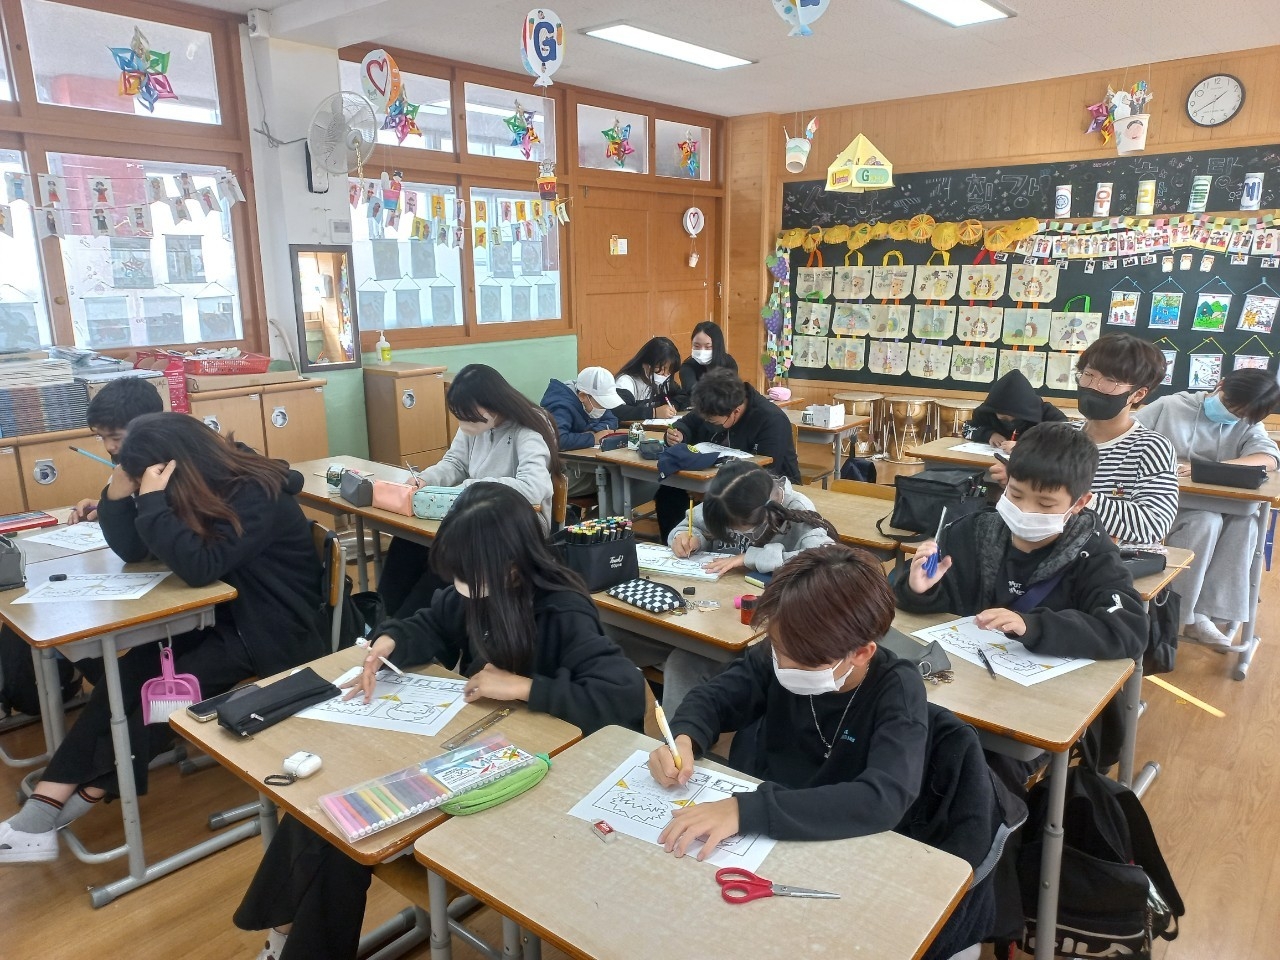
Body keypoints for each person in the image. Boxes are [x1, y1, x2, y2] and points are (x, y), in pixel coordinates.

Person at [234, 483, 645, 960]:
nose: (461, 585)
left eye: (468, 573)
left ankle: (287, 941)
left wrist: (523, 687)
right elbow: (428, 623)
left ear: (512, 564)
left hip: (542, 776)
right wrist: (388, 642)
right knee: (328, 818)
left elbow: (622, 693)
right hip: (478, 751)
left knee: (346, 829)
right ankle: (283, 937)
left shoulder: (562, 609)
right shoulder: (479, 592)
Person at [0, 414, 324, 863]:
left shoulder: (255, 493)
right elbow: (136, 551)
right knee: (130, 672)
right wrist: (118, 493)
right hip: (221, 617)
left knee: (167, 698)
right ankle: (48, 800)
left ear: (174, 466)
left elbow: (199, 568)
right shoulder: (202, 485)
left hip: (272, 630)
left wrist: (152, 501)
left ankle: (87, 793)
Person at [650, 545, 1003, 957]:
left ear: (862, 652)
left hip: (845, 843)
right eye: (777, 649)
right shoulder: (784, 650)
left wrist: (745, 811)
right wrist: (684, 737)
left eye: (803, 661)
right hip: (769, 834)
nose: (783, 664)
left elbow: (882, 798)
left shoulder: (897, 689)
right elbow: (714, 698)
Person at [896, 422, 1147, 767]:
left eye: (1045, 504)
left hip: (1033, 711)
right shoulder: (971, 532)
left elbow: (1129, 631)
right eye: (1015, 495)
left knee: (973, 765)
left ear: (1080, 502)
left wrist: (1033, 626)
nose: (1026, 510)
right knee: (906, 739)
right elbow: (932, 606)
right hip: (960, 690)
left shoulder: (1093, 555)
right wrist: (919, 589)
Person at [376, 364, 559, 621]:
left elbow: (534, 488)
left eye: (467, 417)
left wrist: (476, 487)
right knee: (407, 542)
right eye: (459, 416)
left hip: (517, 524)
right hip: (477, 515)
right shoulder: (475, 423)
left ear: (492, 404)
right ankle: (380, 621)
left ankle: (405, 627)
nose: (462, 424)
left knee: (446, 558)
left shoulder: (528, 428)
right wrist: (425, 479)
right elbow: (455, 463)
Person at [657, 459, 837, 713]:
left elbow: (824, 559)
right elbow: (692, 526)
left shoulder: (796, 508)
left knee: (684, 663)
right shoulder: (725, 497)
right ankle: (680, 734)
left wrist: (750, 557)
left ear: (760, 518)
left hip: (772, 628)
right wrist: (687, 538)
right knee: (679, 660)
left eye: (733, 528)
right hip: (717, 615)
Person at [1135, 368, 1280, 645]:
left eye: (1240, 414)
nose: (1231, 415)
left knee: (1246, 524)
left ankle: (1206, 613)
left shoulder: (1247, 420)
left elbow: (1268, 458)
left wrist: (1208, 469)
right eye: (1229, 405)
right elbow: (1129, 434)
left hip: (1220, 505)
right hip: (1169, 504)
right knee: (1205, 521)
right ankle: (1178, 616)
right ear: (1220, 384)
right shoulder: (1170, 406)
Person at [990, 334, 1178, 546]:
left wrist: (1076, 498)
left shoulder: (1151, 448)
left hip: (1110, 559)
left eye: (1110, 381)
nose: (1093, 386)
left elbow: (1153, 524)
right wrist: (1020, 484)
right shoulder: (1058, 436)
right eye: (1088, 375)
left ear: (1138, 394)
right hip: (1043, 550)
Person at [656, 369, 800, 538]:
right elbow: (687, 423)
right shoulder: (712, 405)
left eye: (712, 421)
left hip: (764, 488)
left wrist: (712, 492)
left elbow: (765, 473)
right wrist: (678, 433)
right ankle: (677, 543)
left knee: (720, 505)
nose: (707, 422)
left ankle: (713, 545)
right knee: (668, 494)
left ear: (735, 412)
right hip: (713, 477)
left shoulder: (771, 420)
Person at [70, 376, 166, 523]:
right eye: (102, 437)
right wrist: (104, 507)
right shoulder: (123, 471)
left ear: (150, 429)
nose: (108, 447)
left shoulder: (175, 475)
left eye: (116, 438)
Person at [540, 366, 623, 496]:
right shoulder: (561, 406)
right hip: (556, 474)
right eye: (601, 403)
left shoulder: (592, 403)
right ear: (583, 396)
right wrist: (593, 438)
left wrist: (593, 432)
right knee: (613, 478)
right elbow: (559, 440)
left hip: (576, 465)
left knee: (616, 474)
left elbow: (612, 420)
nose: (603, 408)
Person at [965, 368, 1067, 451]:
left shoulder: (1046, 413)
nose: (1010, 422)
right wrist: (989, 434)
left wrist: (1024, 446)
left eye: (1016, 417)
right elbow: (967, 429)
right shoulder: (988, 411)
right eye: (1003, 418)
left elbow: (1067, 439)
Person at [669, 320, 738, 410]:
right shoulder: (687, 366)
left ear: (717, 346)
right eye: (696, 346)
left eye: (708, 347)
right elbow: (694, 392)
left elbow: (731, 391)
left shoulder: (728, 363)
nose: (702, 351)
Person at [613, 336, 681, 421]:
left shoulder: (665, 381)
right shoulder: (626, 382)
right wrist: (654, 413)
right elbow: (618, 411)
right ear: (645, 364)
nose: (665, 375)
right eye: (661, 369)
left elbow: (682, 396)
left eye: (669, 370)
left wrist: (672, 406)